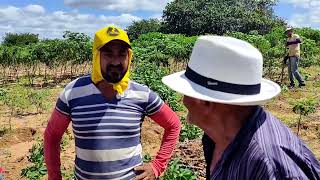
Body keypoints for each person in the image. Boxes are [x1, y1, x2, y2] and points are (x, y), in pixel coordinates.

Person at [162, 36, 320, 179]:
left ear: (205, 102)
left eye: (186, 92)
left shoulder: (267, 164)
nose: (183, 100)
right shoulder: (216, 137)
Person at [44, 25, 181, 180]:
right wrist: (54, 176)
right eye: (108, 54)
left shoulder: (142, 94)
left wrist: (157, 166)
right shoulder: (73, 92)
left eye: (122, 54)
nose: (116, 61)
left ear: (129, 57)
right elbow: (52, 136)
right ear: (97, 56)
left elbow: (173, 124)